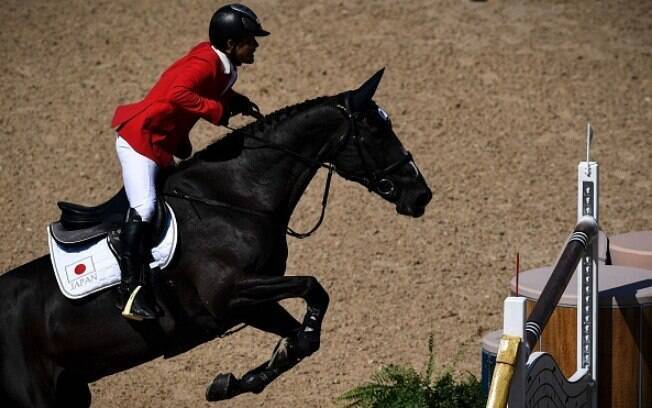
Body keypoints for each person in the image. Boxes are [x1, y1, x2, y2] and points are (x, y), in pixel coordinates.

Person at [110, 3, 269, 321]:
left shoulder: (223, 64)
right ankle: (128, 293)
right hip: (140, 141)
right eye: (250, 39)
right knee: (145, 209)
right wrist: (216, 111)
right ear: (230, 44)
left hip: (160, 146)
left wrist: (235, 102)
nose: (256, 44)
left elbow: (212, 90)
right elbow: (178, 93)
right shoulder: (203, 62)